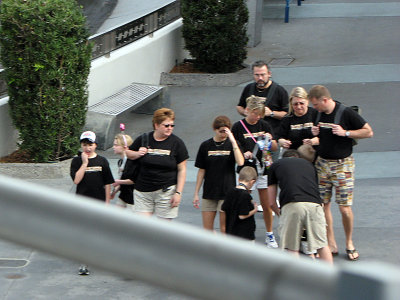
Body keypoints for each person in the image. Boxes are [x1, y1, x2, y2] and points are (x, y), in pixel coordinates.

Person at [309, 85, 373, 261]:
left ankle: (349, 242)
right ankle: (331, 242)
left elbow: (368, 132)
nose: (314, 108)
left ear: (325, 100)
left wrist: (346, 132)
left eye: (316, 104)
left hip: (342, 165)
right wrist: (315, 134)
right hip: (322, 163)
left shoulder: (345, 112)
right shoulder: (318, 114)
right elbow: (321, 137)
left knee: (344, 208)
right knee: (323, 205)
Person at [267, 149, 333, 264]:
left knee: (292, 247)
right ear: (298, 157)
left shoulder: (275, 165)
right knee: (322, 245)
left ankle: (296, 280)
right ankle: (331, 279)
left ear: (284, 158)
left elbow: (271, 202)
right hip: (315, 204)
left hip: (292, 204)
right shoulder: (310, 165)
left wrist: (281, 214)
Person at [232, 96, 279, 248]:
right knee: (243, 201)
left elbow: (274, 147)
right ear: (248, 111)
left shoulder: (264, 125)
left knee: (266, 204)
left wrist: (270, 140)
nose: (258, 117)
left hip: (263, 168)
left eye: (260, 114)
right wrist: (243, 152)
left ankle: (269, 233)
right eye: (256, 114)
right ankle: (242, 233)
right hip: (246, 170)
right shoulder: (238, 127)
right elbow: (235, 146)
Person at [126, 108, 189, 220]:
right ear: (156, 125)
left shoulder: (177, 143)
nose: (170, 128)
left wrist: (178, 192)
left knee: (163, 231)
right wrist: (137, 153)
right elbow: (128, 153)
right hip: (143, 191)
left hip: (166, 191)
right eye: (166, 125)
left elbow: (182, 169)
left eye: (172, 126)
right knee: (143, 228)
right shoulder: (144, 139)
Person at [70, 131, 115, 275]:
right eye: (84, 145)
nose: (87, 148)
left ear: (95, 145)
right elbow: (76, 180)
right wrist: (84, 163)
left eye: (90, 145)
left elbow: (107, 183)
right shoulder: (77, 161)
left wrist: (107, 202)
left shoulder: (102, 161)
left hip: (99, 201)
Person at [193, 116, 244, 232]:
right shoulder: (206, 145)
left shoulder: (232, 144)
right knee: (207, 229)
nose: (223, 134)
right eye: (221, 131)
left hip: (227, 192)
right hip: (209, 191)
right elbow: (201, 170)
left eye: (226, 131)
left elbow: (240, 162)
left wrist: (233, 141)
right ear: (215, 129)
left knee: (224, 228)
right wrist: (196, 193)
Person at [236, 60, 289, 140]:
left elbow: (287, 115)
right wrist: (245, 112)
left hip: (272, 134)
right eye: (257, 75)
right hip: (251, 134)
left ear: (269, 74)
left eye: (263, 75)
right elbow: (239, 106)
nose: (260, 78)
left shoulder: (279, 90)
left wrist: (271, 113)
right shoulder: (248, 88)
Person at [221, 166, 258, 241]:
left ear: (239, 178)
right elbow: (242, 216)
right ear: (252, 182)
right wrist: (255, 210)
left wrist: (224, 228)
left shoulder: (230, 192)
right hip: (244, 234)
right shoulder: (245, 195)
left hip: (231, 231)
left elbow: (223, 210)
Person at [110, 133, 135, 210]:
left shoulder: (131, 161)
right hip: (124, 194)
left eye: (116, 145)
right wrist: (114, 191)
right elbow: (121, 179)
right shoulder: (121, 161)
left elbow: (133, 180)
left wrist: (117, 181)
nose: (113, 147)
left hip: (133, 197)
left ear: (125, 147)